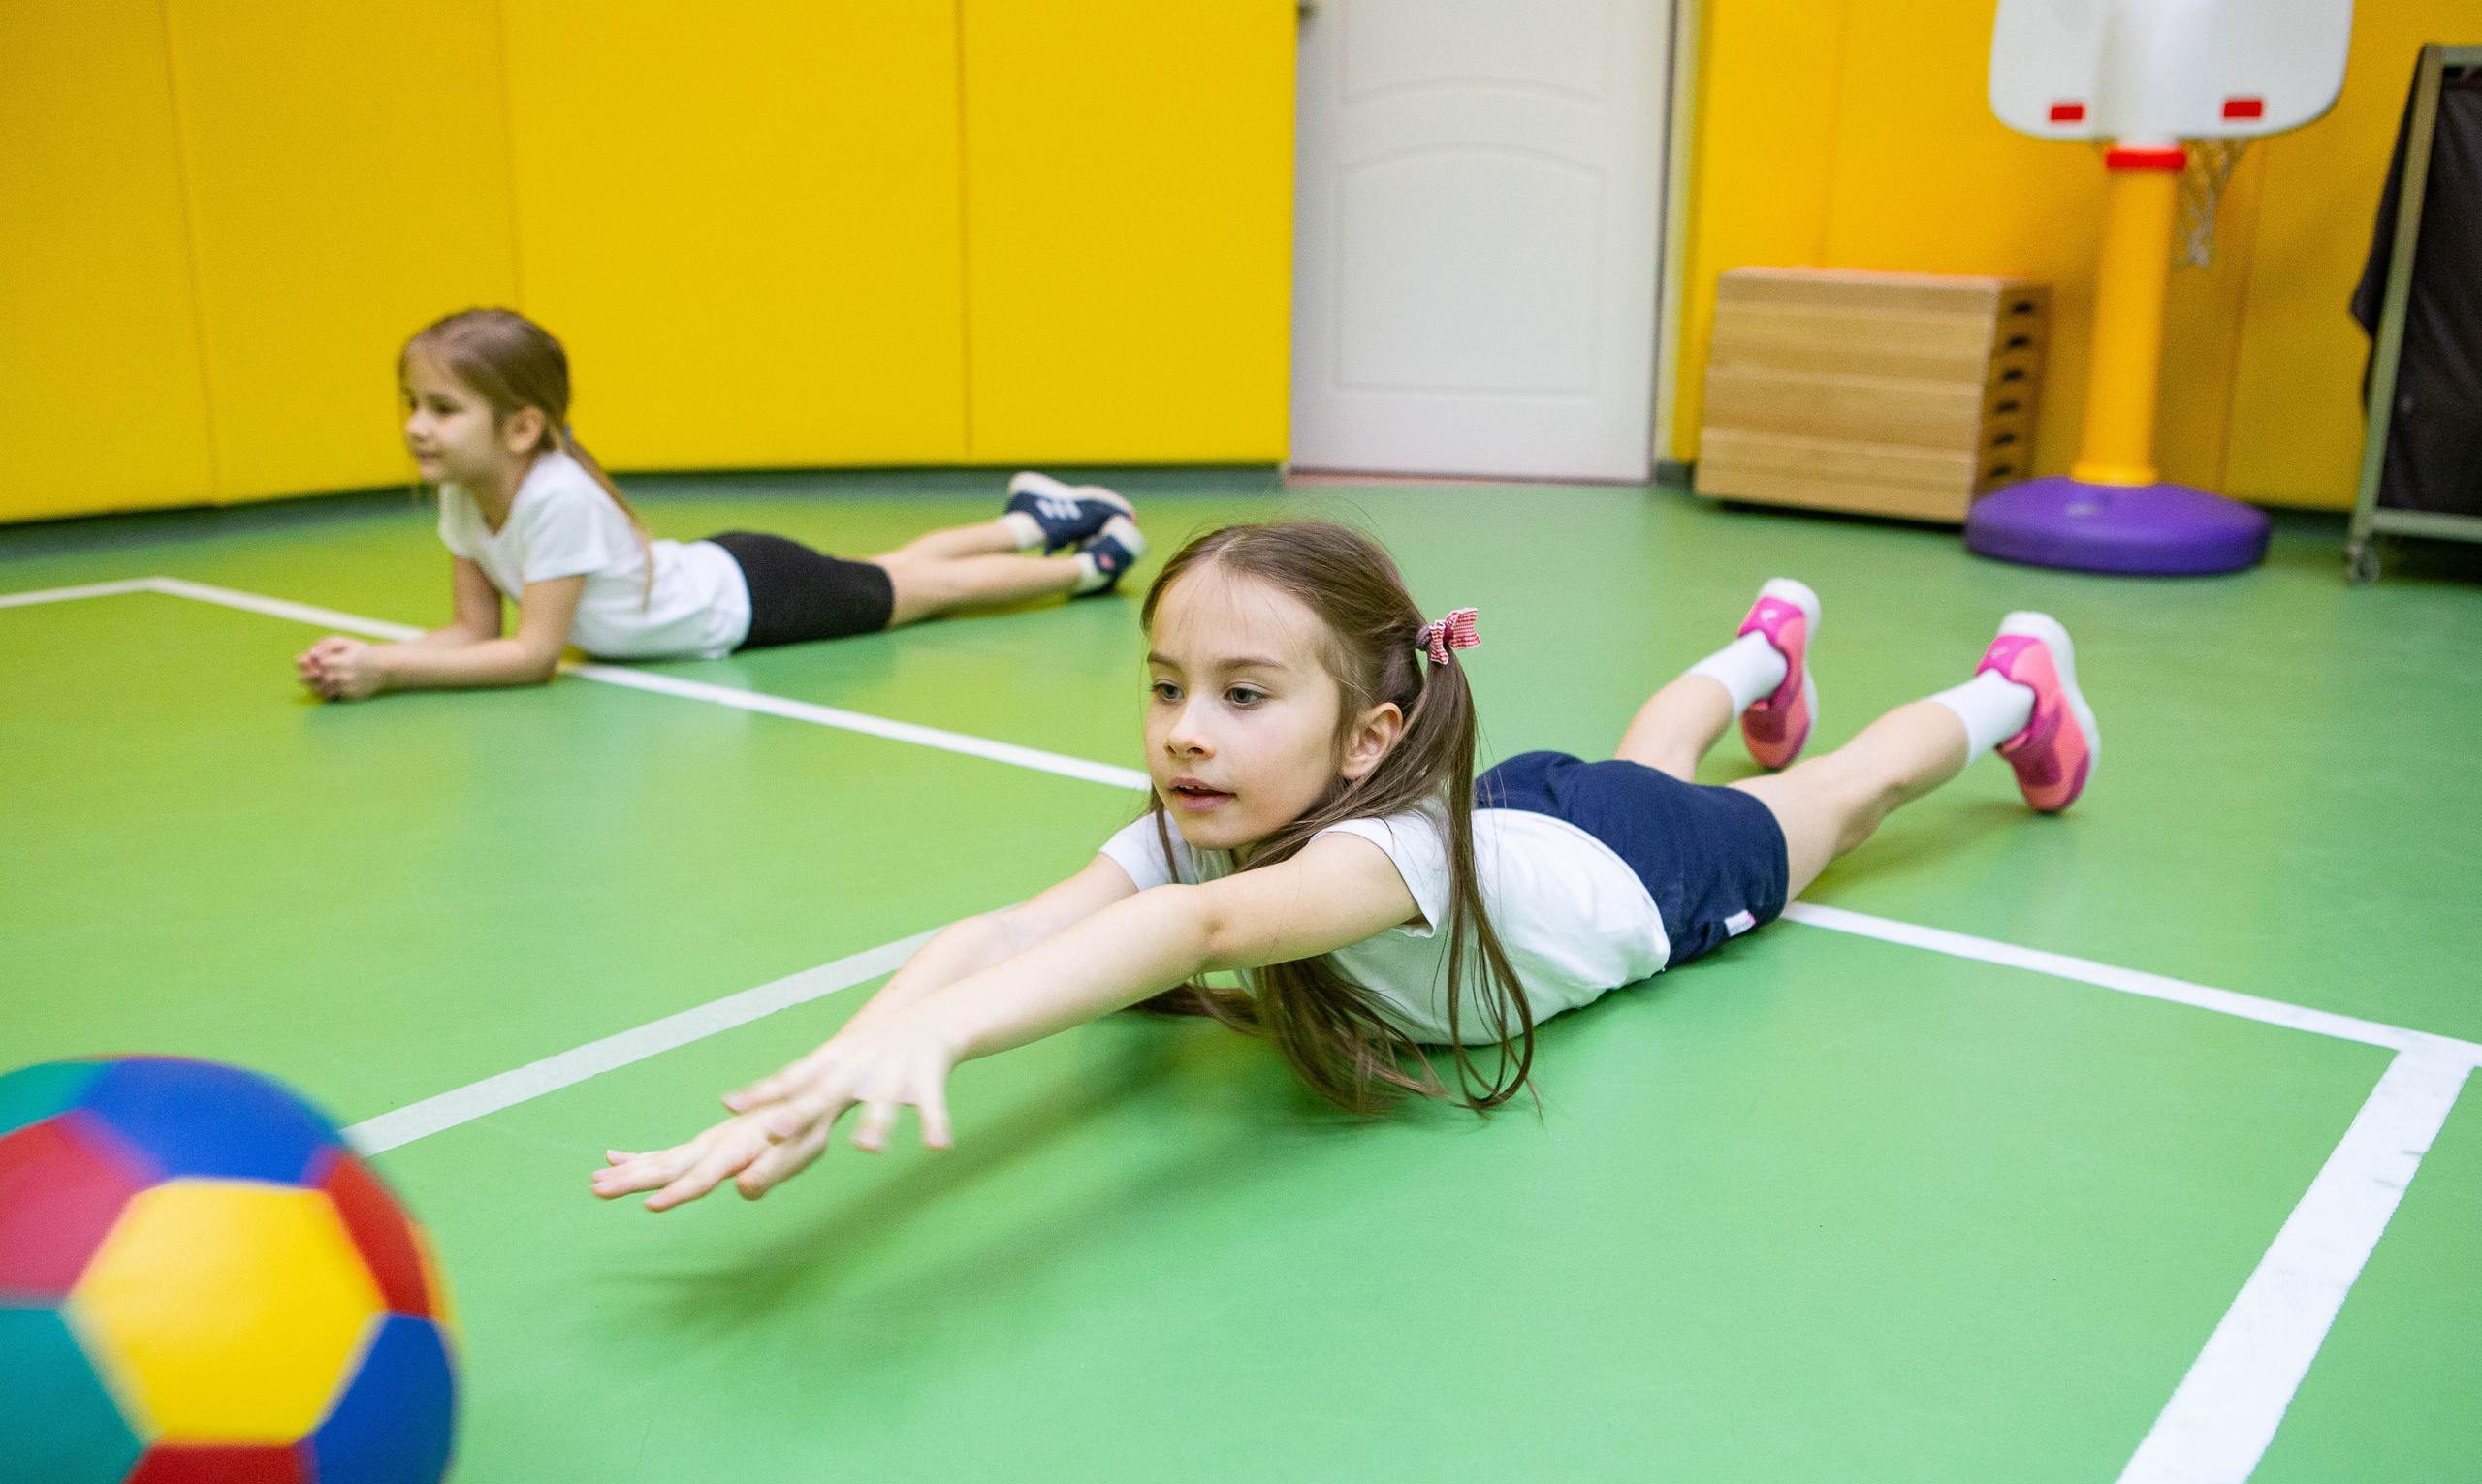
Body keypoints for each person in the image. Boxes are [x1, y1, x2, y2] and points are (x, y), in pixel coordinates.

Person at [592, 521, 2097, 1210]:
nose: (1187, 731)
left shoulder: (1344, 858)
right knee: (1643, 748)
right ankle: (1760, 654)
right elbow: (1004, 928)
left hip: (1641, 877)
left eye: (1244, 696)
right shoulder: (1248, 804)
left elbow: (1197, 931)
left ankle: (2018, 685)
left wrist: (941, 1033)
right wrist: (851, 1053)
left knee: (1850, 793)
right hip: (1530, 822)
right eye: (1168, 684)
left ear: (1365, 730)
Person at [296, 308, 1144, 701]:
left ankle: (1085, 563)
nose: (417, 427)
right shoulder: (463, 494)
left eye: (443, 409)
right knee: (887, 573)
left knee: (921, 593)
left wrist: (390, 670)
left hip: (751, 602)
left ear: (521, 426)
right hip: (732, 569)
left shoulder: (555, 500)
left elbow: (529, 656)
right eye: (412, 403)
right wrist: (370, 655)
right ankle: (1031, 518)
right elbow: (473, 633)